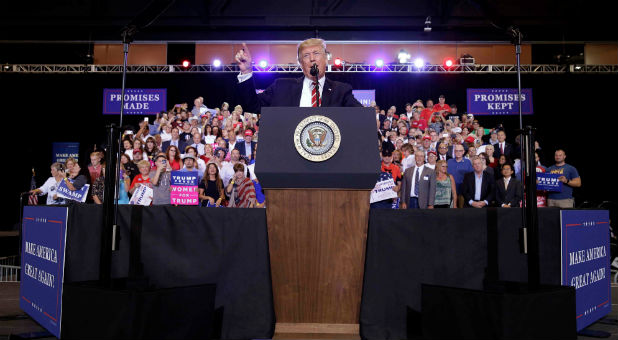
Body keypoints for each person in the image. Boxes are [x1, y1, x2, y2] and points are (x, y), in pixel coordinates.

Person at [234, 38, 361, 113]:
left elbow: (362, 117)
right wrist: (246, 72)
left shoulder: (341, 90)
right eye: (306, 55)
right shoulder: (281, 87)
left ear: (326, 59)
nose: (312, 59)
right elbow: (251, 105)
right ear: (300, 63)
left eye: (316, 53)